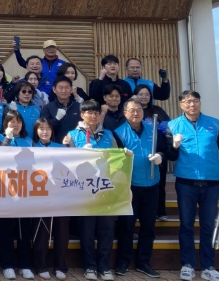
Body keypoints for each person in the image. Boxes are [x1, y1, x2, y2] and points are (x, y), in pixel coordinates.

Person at [166, 90, 219, 281]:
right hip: (186, 182)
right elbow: (171, 156)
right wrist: (174, 146)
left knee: (208, 225)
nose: (192, 105)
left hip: (212, 181)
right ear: (181, 105)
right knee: (186, 225)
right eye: (187, 101)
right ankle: (187, 264)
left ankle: (208, 266)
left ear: (200, 103)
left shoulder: (215, 124)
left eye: (195, 101)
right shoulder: (173, 125)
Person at [114, 98, 169, 278]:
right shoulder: (118, 133)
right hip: (130, 186)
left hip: (152, 184)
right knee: (126, 226)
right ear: (125, 113)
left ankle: (144, 262)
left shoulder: (153, 130)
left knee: (148, 226)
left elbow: (165, 150)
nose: (136, 113)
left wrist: (160, 156)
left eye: (139, 109)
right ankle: (123, 261)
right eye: (132, 110)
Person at [64, 100, 118, 281]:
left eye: (96, 113)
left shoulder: (108, 135)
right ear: (82, 115)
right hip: (84, 191)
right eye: (89, 112)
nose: (93, 116)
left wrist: (124, 155)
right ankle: (89, 267)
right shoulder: (72, 135)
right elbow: (66, 162)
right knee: (87, 231)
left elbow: (117, 159)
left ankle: (104, 267)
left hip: (105, 189)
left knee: (106, 229)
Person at [0, 110, 33, 280]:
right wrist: (8, 138)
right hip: (4, 190)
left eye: (18, 121)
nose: (15, 124)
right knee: (6, 230)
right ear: (6, 124)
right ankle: (7, 264)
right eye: (12, 121)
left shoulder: (29, 140)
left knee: (24, 230)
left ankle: (24, 264)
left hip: (25, 190)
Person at [31, 118, 69, 281]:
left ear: (52, 131)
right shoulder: (31, 147)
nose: (45, 132)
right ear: (36, 131)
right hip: (39, 197)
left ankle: (60, 266)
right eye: (41, 129)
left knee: (61, 232)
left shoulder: (61, 148)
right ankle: (40, 266)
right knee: (41, 232)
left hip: (60, 196)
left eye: (48, 128)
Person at [133, 84, 171, 221]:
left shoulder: (157, 110)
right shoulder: (132, 111)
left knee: (159, 183)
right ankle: (139, 213)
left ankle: (160, 211)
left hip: (157, 151)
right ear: (135, 96)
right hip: (139, 154)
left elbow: (169, 127)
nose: (144, 97)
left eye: (147, 94)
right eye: (141, 94)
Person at [40, 77, 82, 144]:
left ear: (71, 89)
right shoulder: (47, 108)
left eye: (67, 87)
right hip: (55, 146)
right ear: (54, 89)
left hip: (76, 145)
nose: (64, 91)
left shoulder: (79, 107)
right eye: (60, 88)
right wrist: (57, 119)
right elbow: (44, 129)